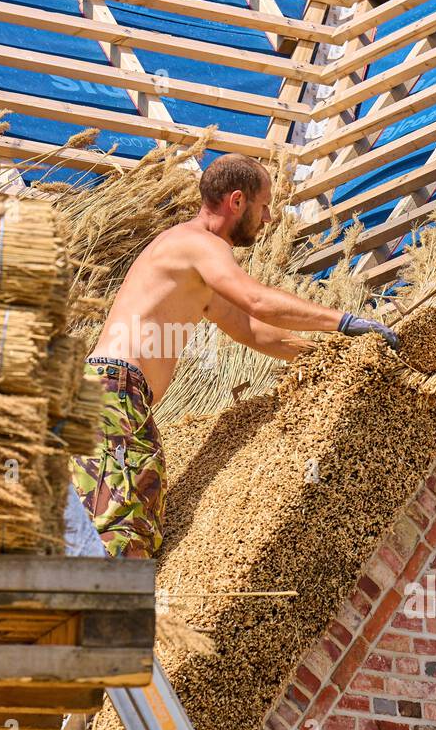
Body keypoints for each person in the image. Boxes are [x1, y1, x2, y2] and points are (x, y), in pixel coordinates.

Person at [68, 152, 398, 563]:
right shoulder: (196, 244)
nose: (269, 218)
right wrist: (345, 322)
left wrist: (327, 355)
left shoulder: (193, 263)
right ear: (237, 201)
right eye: (264, 205)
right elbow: (257, 301)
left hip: (117, 397)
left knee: (135, 513)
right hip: (113, 393)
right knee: (124, 525)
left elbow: (250, 328)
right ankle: (101, 619)